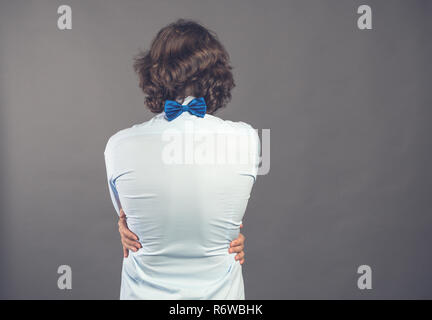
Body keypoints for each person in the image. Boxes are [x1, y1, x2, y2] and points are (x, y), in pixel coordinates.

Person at [104, 19, 260, 299]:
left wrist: (125, 226)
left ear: (153, 75)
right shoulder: (247, 139)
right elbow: (213, 216)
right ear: (217, 75)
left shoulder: (118, 146)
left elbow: (127, 218)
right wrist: (222, 235)